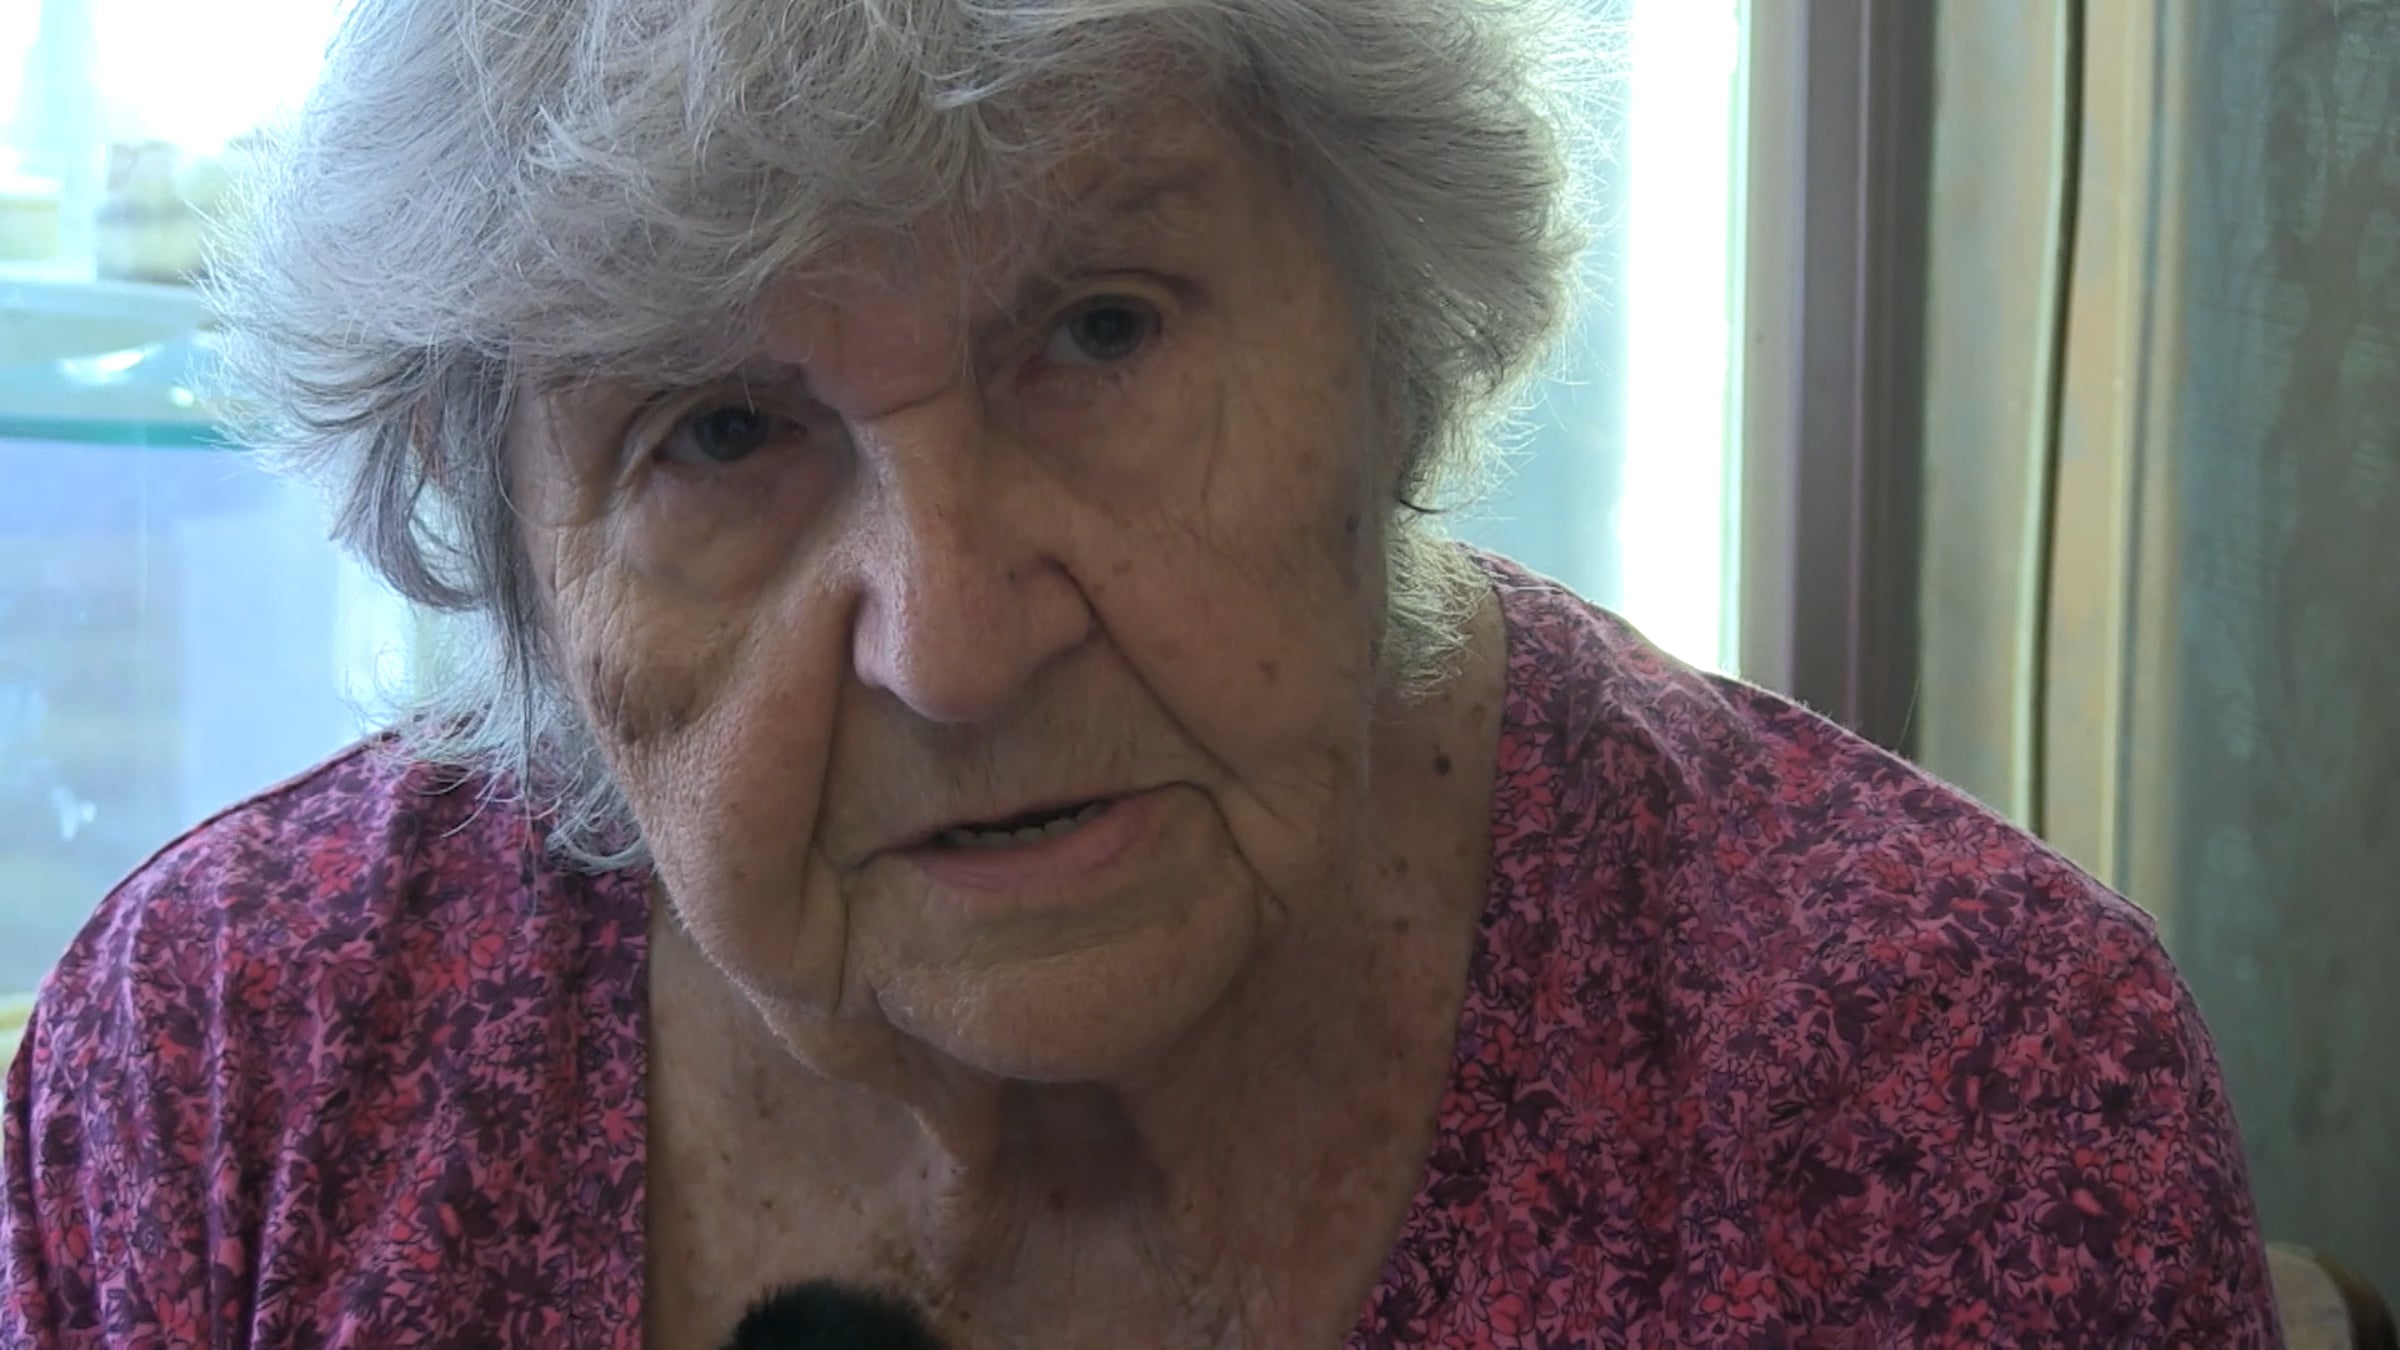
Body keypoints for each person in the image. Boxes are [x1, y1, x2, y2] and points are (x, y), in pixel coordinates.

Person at [0, 0, 2281, 1345]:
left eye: (1099, 331)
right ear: (518, 569)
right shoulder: (244, 1067)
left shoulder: (1937, 1074)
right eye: (721, 434)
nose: (957, 641)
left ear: (1392, 356)